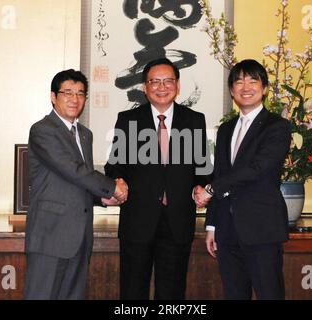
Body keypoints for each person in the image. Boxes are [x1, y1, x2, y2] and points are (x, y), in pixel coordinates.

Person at [104, 58, 210, 299]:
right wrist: (118, 179)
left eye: (168, 81)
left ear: (178, 85)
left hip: (177, 222)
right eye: (155, 81)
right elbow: (114, 165)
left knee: (172, 293)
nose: (162, 87)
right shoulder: (128, 120)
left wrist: (200, 186)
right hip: (137, 221)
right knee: (132, 292)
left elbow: (203, 167)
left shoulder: (194, 120)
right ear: (145, 87)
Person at [24, 69, 128, 300]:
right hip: (50, 235)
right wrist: (112, 187)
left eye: (81, 93)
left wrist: (101, 197)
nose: (75, 99)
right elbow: (73, 170)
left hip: (79, 237)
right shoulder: (43, 130)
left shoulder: (84, 134)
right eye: (67, 92)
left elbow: (79, 180)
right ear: (53, 96)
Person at [195, 59, 291, 300]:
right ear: (231, 90)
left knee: (270, 294)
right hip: (227, 231)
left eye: (252, 80)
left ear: (265, 88)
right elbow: (221, 174)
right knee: (234, 294)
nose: (245, 87)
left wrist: (210, 189)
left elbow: (257, 169)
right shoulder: (226, 129)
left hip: (261, 229)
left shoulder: (277, 126)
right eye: (238, 82)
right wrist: (212, 226)